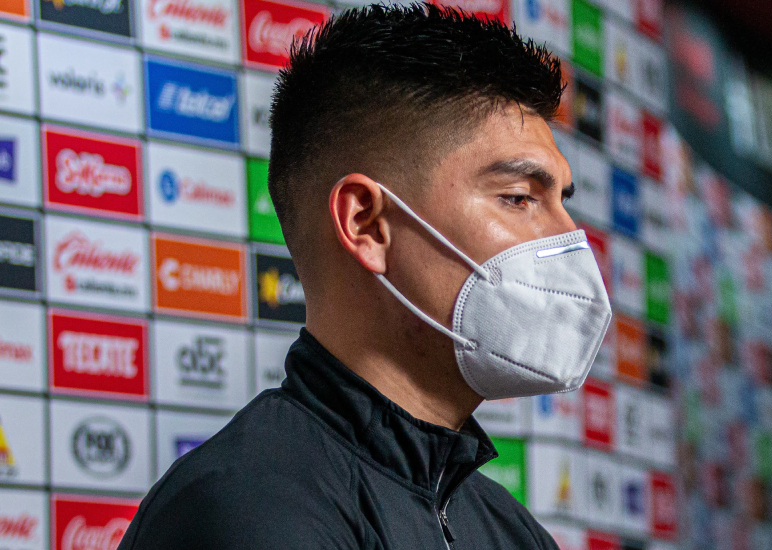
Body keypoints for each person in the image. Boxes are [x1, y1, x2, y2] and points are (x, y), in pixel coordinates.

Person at [117, 4, 612, 549]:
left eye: (562, 203)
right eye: (519, 198)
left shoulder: (511, 530)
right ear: (367, 224)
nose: (568, 240)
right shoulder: (247, 513)